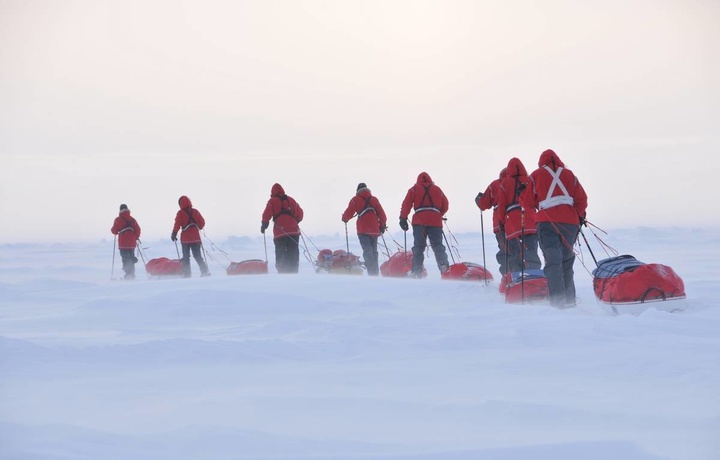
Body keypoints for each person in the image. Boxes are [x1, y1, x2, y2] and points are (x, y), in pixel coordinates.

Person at [524, 149, 588, 307]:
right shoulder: (569, 175)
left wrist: (536, 218)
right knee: (567, 262)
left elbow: (526, 202)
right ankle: (570, 301)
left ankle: (558, 303)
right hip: (570, 224)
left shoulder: (536, 175)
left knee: (553, 262)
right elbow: (582, 199)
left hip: (547, 223)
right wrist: (578, 216)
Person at [496, 157, 542, 273]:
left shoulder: (505, 183)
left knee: (515, 253)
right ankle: (534, 276)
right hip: (531, 222)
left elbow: (501, 205)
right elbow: (537, 201)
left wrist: (501, 221)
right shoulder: (529, 180)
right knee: (531, 250)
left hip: (512, 225)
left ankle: (517, 278)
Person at [399, 172, 450, 277]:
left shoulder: (414, 189)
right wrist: (438, 214)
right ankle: (444, 267)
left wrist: (403, 218)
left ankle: (417, 272)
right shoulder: (437, 189)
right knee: (437, 246)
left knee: (419, 246)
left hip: (419, 221)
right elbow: (445, 204)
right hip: (435, 221)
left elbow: (406, 204)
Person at [341, 183, 388, 276]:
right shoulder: (374, 200)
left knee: (367, 251)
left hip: (363, 230)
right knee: (374, 251)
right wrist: (382, 225)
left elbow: (348, 213)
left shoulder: (355, 200)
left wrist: (344, 218)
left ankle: (371, 273)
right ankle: (375, 273)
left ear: (358, 190)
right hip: (374, 229)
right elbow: (383, 215)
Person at [261, 183, 304, 273]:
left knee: (281, 253)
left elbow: (266, 214)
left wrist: (264, 225)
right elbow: (300, 214)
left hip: (280, 233)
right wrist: (294, 222)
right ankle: (293, 272)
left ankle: (283, 273)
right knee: (293, 253)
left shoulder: (272, 201)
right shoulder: (291, 200)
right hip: (294, 232)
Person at [475, 167, 508, 276]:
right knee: (527, 251)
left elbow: (484, 204)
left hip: (500, 224)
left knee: (505, 251)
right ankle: (532, 276)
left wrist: (479, 200)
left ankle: (507, 277)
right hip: (526, 224)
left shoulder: (495, 185)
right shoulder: (525, 181)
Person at [171, 195, 210, 278]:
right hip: (196, 238)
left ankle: (187, 274)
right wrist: (199, 227)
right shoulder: (195, 211)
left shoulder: (180, 213)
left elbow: (177, 224)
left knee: (186, 257)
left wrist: (174, 234)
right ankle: (205, 271)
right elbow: (202, 223)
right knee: (197, 255)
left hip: (185, 239)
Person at [111, 203, 141, 280]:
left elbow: (114, 231)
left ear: (120, 210)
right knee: (131, 257)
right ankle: (132, 273)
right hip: (132, 242)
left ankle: (128, 274)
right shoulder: (133, 220)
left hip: (123, 243)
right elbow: (138, 230)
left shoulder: (117, 220)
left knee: (125, 258)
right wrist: (135, 237)